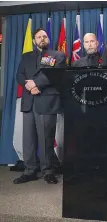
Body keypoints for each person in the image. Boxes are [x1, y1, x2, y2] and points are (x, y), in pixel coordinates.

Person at [14, 28, 66, 184]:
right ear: (34, 40)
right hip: (29, 101)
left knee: (46, 139)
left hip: (46, 101)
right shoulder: (26, 57)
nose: (42, 38)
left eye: (45, 36)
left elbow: (57, 73)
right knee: (28, 140)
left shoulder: (58, 55)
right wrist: (29, 86)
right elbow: (20, 75)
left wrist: (37, 84)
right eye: (39, 37)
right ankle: (30, 170)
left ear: (48, 39)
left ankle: (48, 171)